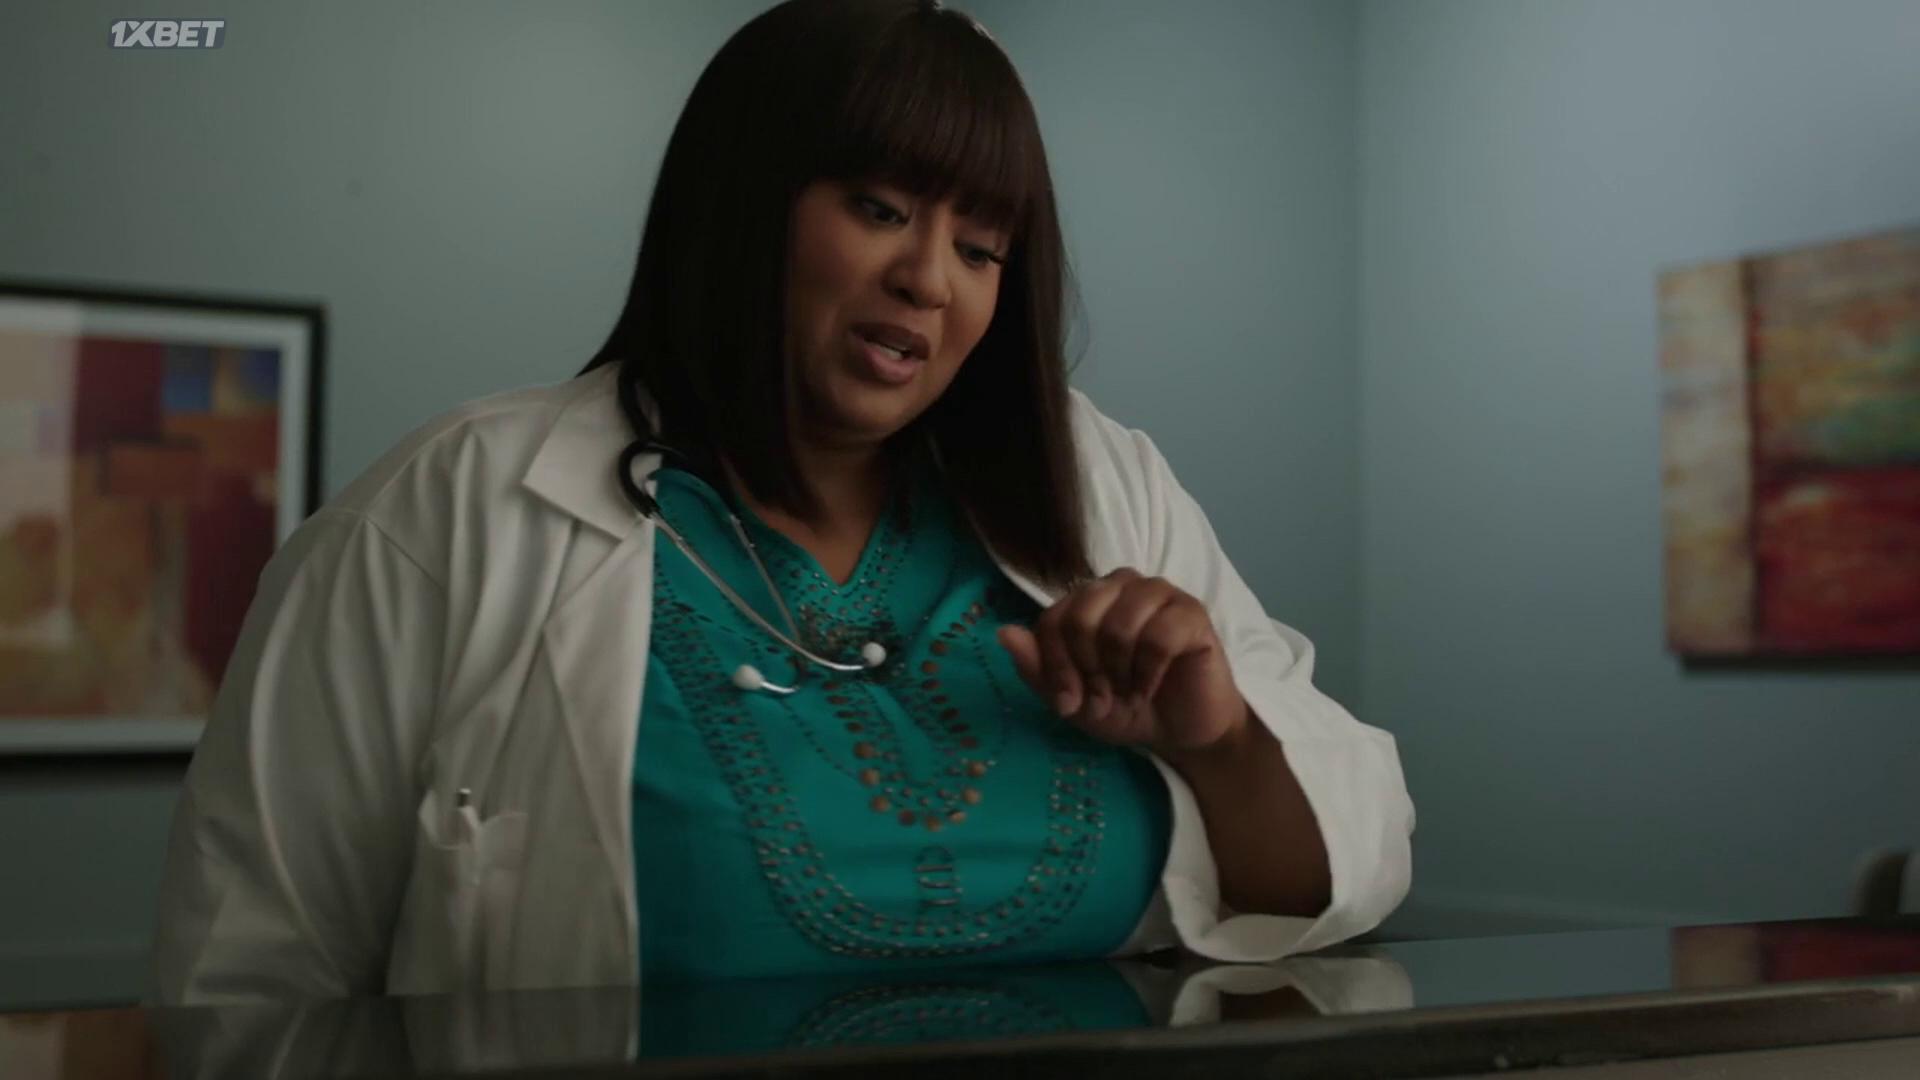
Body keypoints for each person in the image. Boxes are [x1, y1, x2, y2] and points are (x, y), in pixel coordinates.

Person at [151, 0, 1413, 1003]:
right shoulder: (453, 510)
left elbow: (1354, 864)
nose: (930, 280)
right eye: (879, 209)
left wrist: (1220, 743)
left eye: (981, 247)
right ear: (742, 205)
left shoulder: (1103, 490)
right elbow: (248, 989)